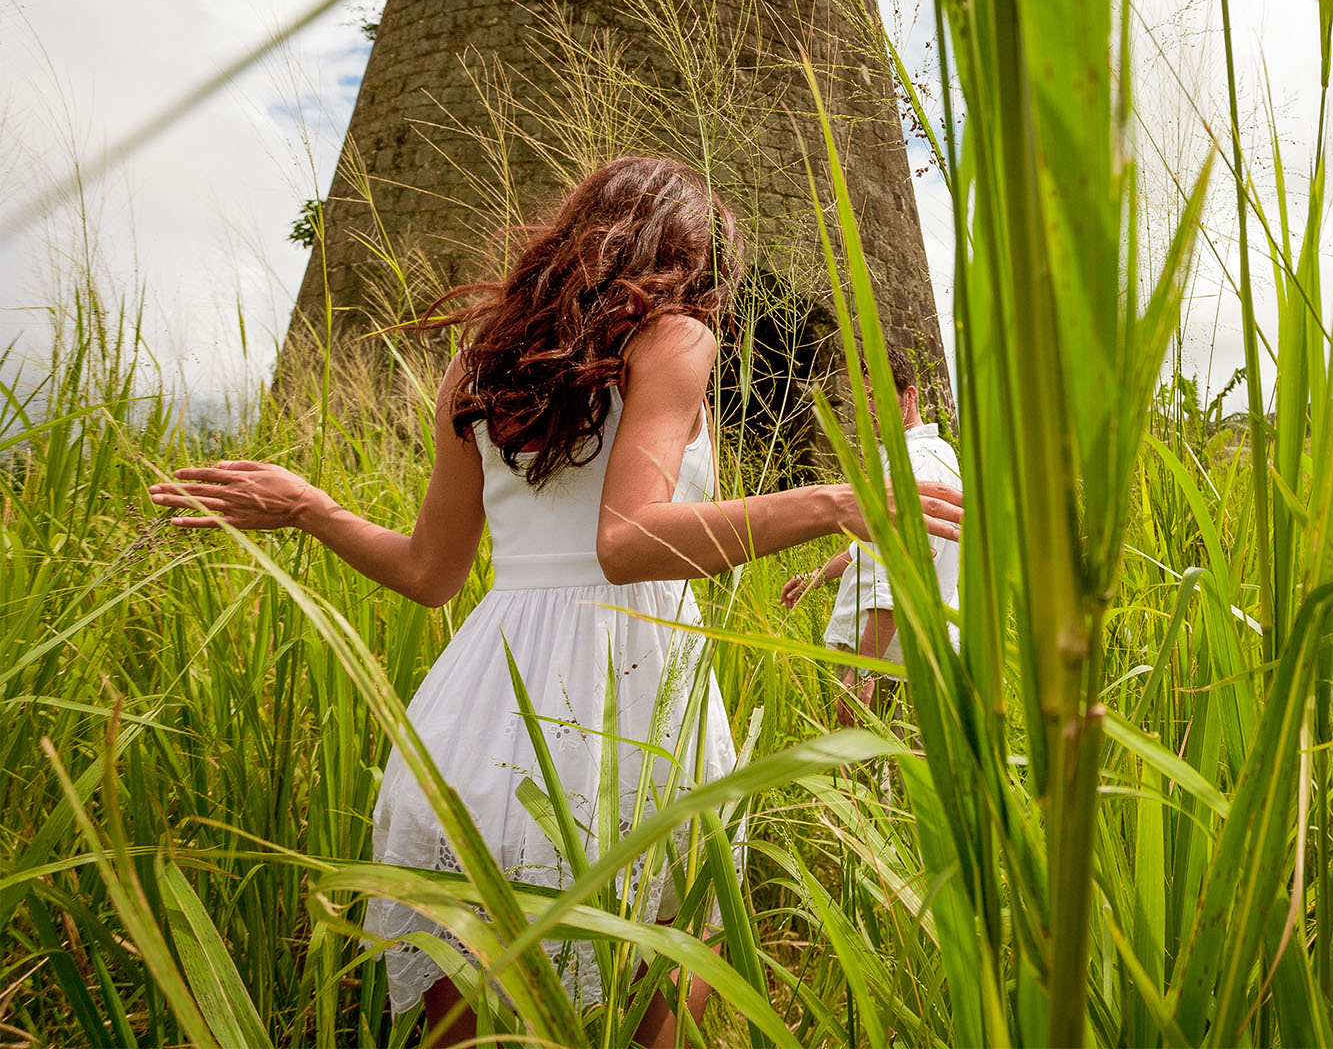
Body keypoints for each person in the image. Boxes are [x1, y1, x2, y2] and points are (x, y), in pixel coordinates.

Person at [147, 156, 962, 1047]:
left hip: (482, 709)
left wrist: (314, 507)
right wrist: (833, 503)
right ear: (690, 255)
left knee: (469, 987)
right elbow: (628, 542)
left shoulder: (479, 363)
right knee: (676, 951)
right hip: (629, 691)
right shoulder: (678, 337)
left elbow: (429, 574)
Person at [780, 350, 962, 727]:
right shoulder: (910, 456)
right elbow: (867, 545)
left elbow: (902, 570)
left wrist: (865, 671)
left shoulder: (919, 464)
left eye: (876, 396)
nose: (867, 409)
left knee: (875, 760)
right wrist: (818, 576)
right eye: (862, 398)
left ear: (909, 396)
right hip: (894, 655)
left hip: (893, 662)